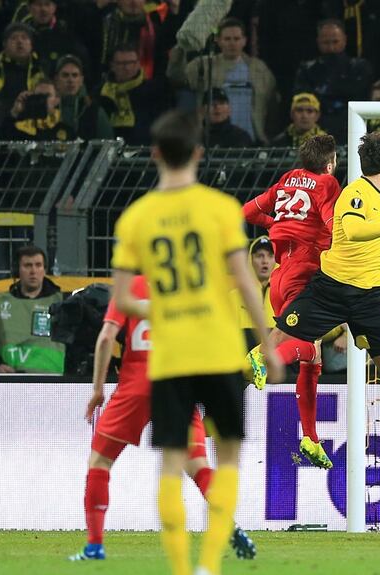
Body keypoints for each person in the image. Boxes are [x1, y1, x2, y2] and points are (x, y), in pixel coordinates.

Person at [109, 109, 282, 575]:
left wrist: (164, 309)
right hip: (221, 350)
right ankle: (209, 566)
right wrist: (266, 345)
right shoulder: (220, 209)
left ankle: (182, 571)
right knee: (226, 459)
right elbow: (246, 283)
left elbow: (124, 297)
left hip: (170, 359)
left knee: (171, 465)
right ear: (200, 154)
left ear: (155, 155)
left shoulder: (136, 218)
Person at [258, 131, 380, 482]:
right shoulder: (353, 194)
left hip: (369, 298)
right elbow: (354, 230)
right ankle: (247, 367)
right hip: (331, 289)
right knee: (283, 334)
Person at [68, 275, 256, 562]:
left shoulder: (129, 288)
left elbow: (106, 337)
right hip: (177, 383)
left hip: (136, 383)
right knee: (198, 465)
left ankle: (94, 546)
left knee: (100, 462)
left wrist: (97, 389)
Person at [243, 134, 342, 468]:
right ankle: (263, 356)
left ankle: (311, 437)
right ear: (330, 163)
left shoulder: (287, 180)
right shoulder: (328, 182)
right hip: (305, 270)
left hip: (280, 274)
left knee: (312, 357)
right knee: (308, 348)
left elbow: (248, 211)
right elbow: (332, 224)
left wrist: (279, 224)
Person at [171, 18, 276, 143]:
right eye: (227, 39)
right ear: (218, 41)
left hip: (251, 141)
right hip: (214, 140)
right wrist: (181, 48)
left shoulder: (260, 69)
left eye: (236, 39)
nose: (232, 43)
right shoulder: (204, 65)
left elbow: (272, 106)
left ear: (244, 41)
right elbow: (176, 78)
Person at [293, 19, 374, 139]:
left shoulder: (360, 68)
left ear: (344, 40)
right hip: (317, 129)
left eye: (335, 42)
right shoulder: (306, 70)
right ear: (318, 42)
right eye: (326, 42)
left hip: (353, 127)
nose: (331, 47)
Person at [0, 244, 63, 374]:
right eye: (28, 265)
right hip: (9, 382)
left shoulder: (61, 303)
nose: (33, 271)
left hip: (55, 384)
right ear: (17, 270)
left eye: (38, 265)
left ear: (44, 270)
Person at [98, 43, 169, 145]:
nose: (127, 68)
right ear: (112, 65)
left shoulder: (154, 91)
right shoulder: (101, 92)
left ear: (138, 64)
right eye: (121, 63)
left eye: (131, 63)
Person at [230, 236, 276, 351]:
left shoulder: (284, 295)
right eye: (259, 256)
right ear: (251, 259)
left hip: (276, 357)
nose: (265, 261)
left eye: (270, 256)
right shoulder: (234, 296)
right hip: (243, 359)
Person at [53, 55, 113, 140]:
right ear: (56, 79)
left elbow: (107, 145)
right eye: (65, 75)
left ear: (81, 80)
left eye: (75, 75)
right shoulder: (47, 108)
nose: (70, 80)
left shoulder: (94, 111)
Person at [0, 22, 44, 107]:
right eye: (14, 38)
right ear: (4, 44)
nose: (19, 41)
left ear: (31, 44)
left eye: (24, 38)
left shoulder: (42, 68)